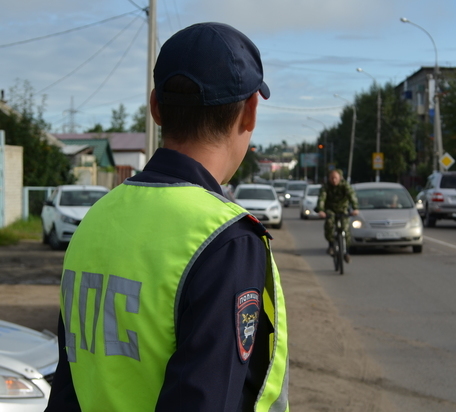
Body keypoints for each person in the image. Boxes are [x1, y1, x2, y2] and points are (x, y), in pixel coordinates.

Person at [45, 22, 289, 412]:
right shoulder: (227, 240)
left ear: (156, 107)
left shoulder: (95, 221)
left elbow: (70, 385)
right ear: (250, 112)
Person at [316, 169, 359, 263]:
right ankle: (331, 245)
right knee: (329, 223)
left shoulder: (345, 185)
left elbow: (351, 196)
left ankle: (346, 252)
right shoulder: (326, 186)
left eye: (335, 178)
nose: (334, 180)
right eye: (331, 178)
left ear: (340, 178)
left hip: (343, 209)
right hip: (330, 209)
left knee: (345, 229)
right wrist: (321, 210)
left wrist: (355, 208)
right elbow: (321, 198)